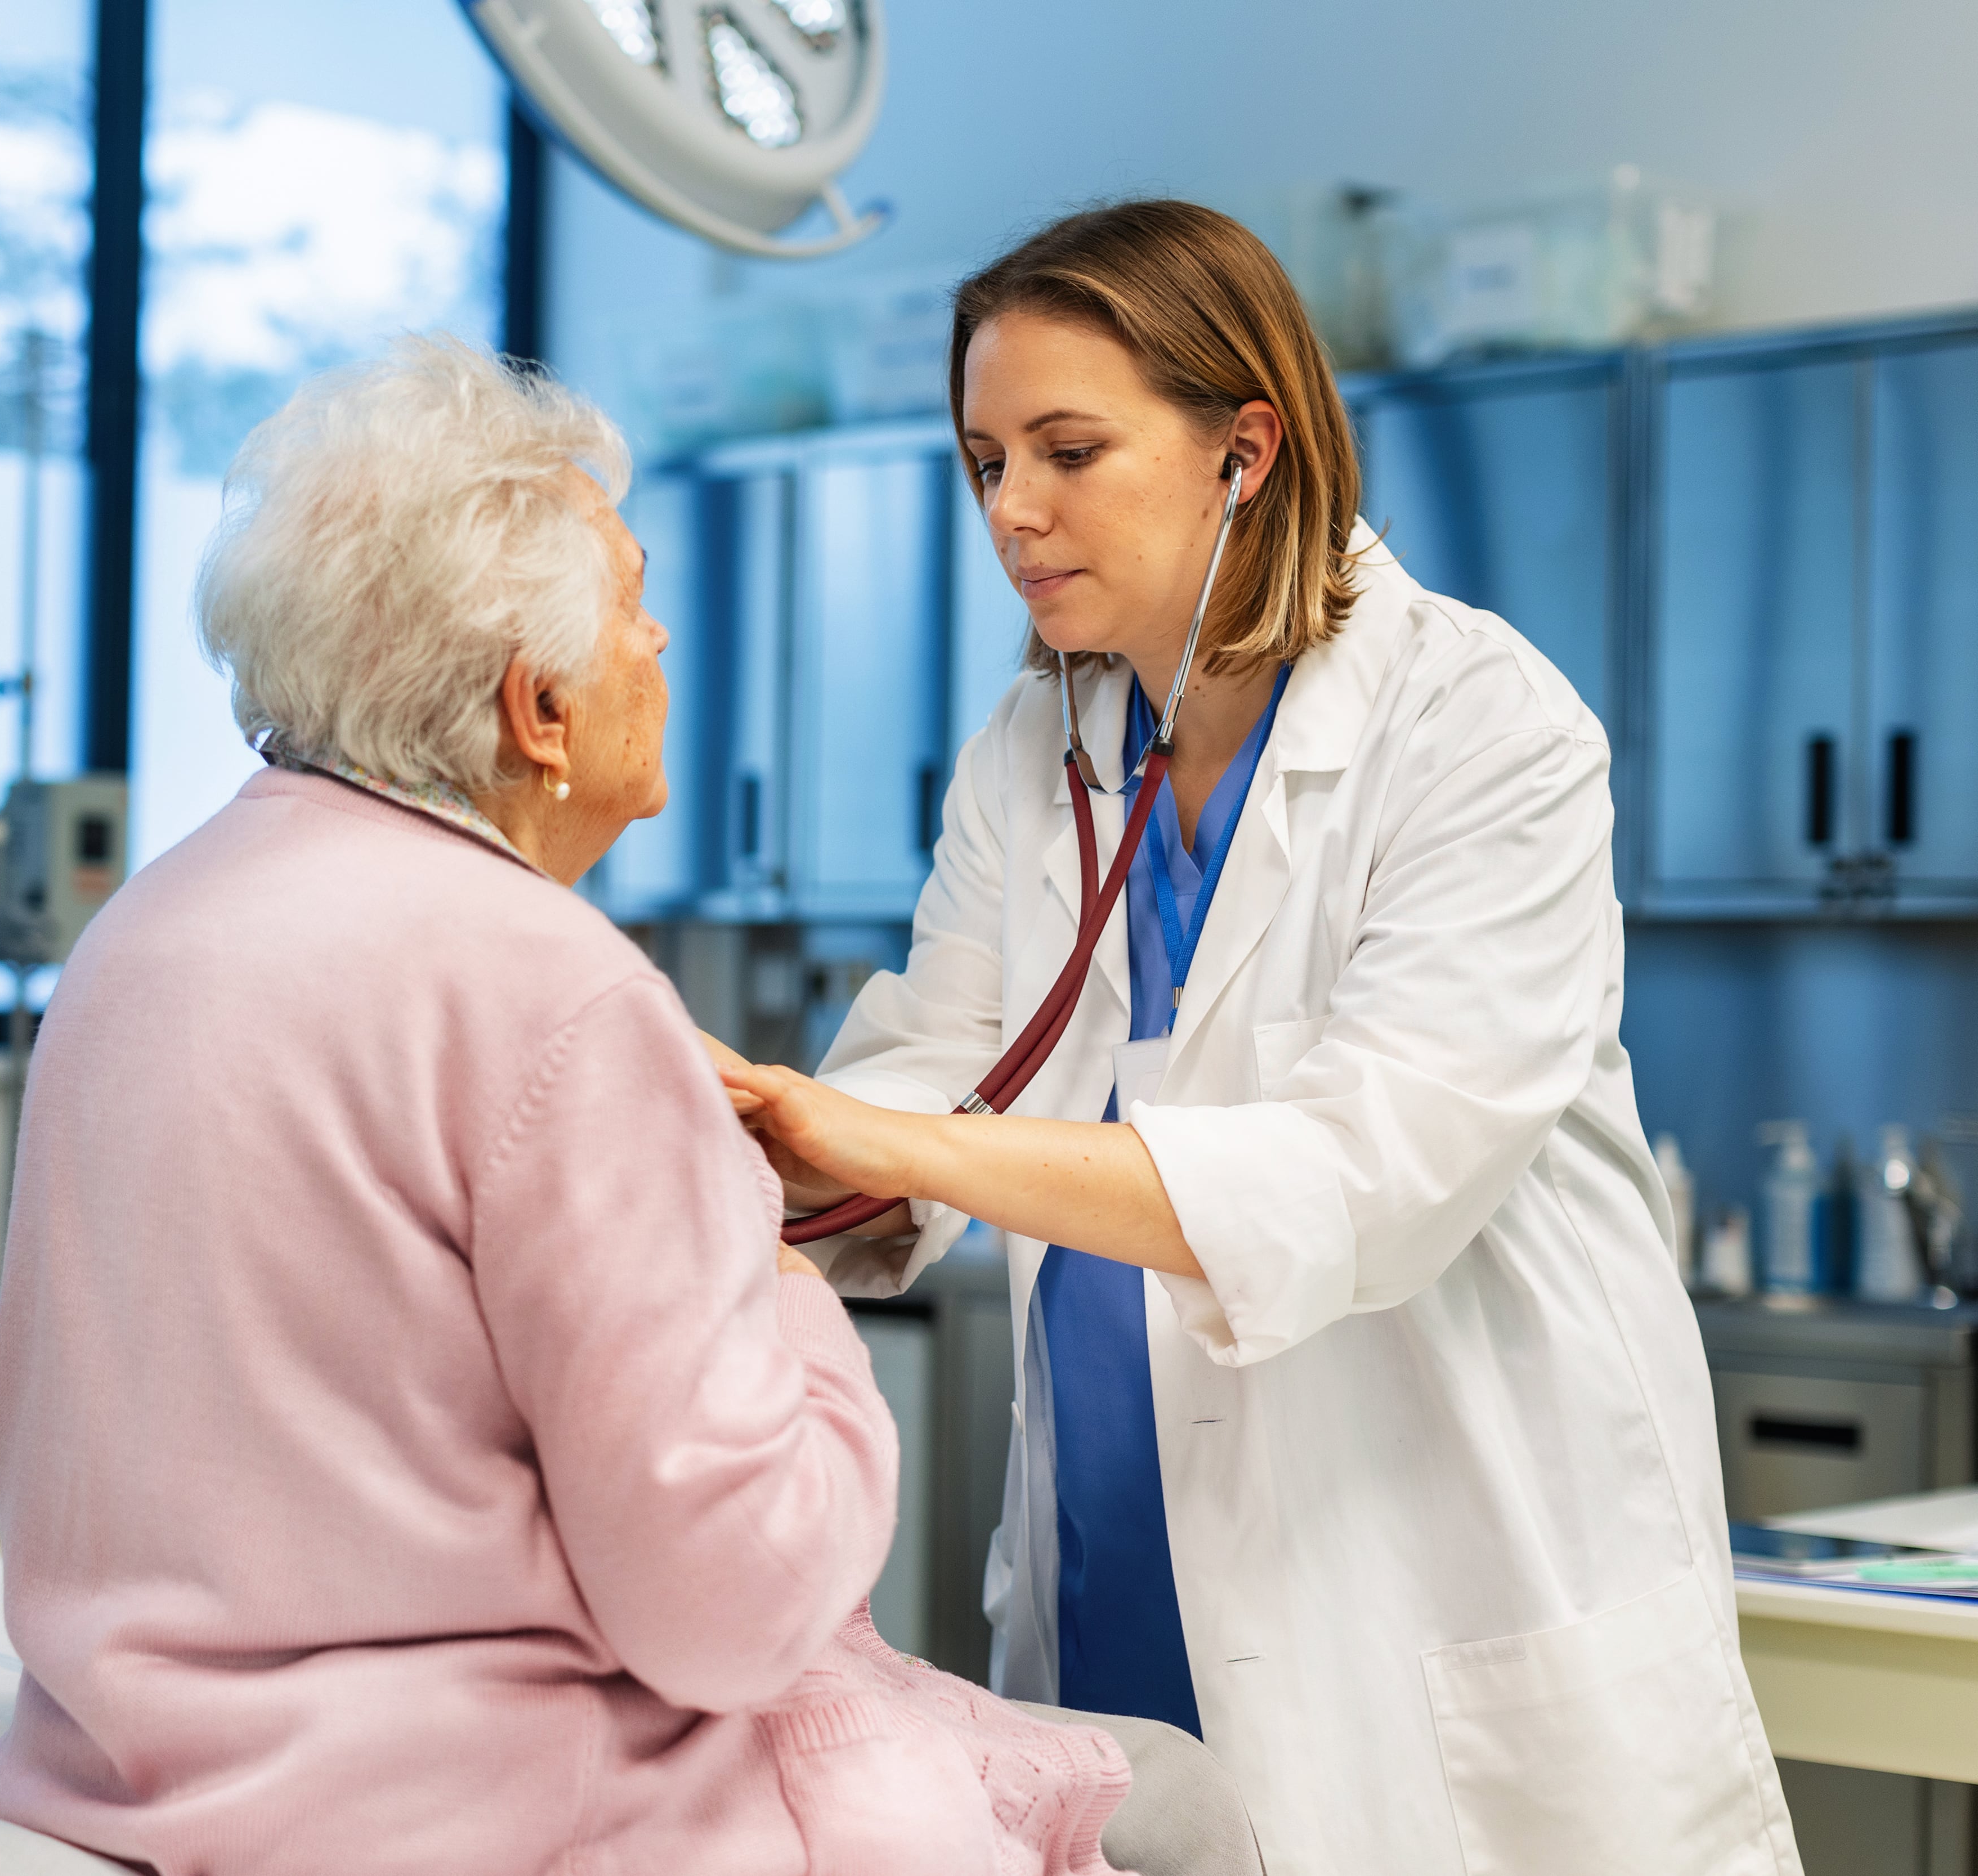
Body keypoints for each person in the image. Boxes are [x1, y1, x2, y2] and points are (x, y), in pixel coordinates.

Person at [0, 335, 1163, 1875]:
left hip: (139, 1768)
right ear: (539, 711)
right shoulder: (555, 990)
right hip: (474, 1808)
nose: (660, 636)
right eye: (629, 604)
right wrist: (780, 1284)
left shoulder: (150, 926)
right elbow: (735, 1614)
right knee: (1194, 1814)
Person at [718, 202, 1803, 1876]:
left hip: (1429, 1605)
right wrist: (738, 1163)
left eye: (1070, 451)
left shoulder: (1478, 724)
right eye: (985, 458)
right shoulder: (1037, 749)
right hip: (1113, 1578)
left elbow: (1368, 1175)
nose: (1013, 510)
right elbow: (929, 1066)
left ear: (1247, 446)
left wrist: (885, 1142)